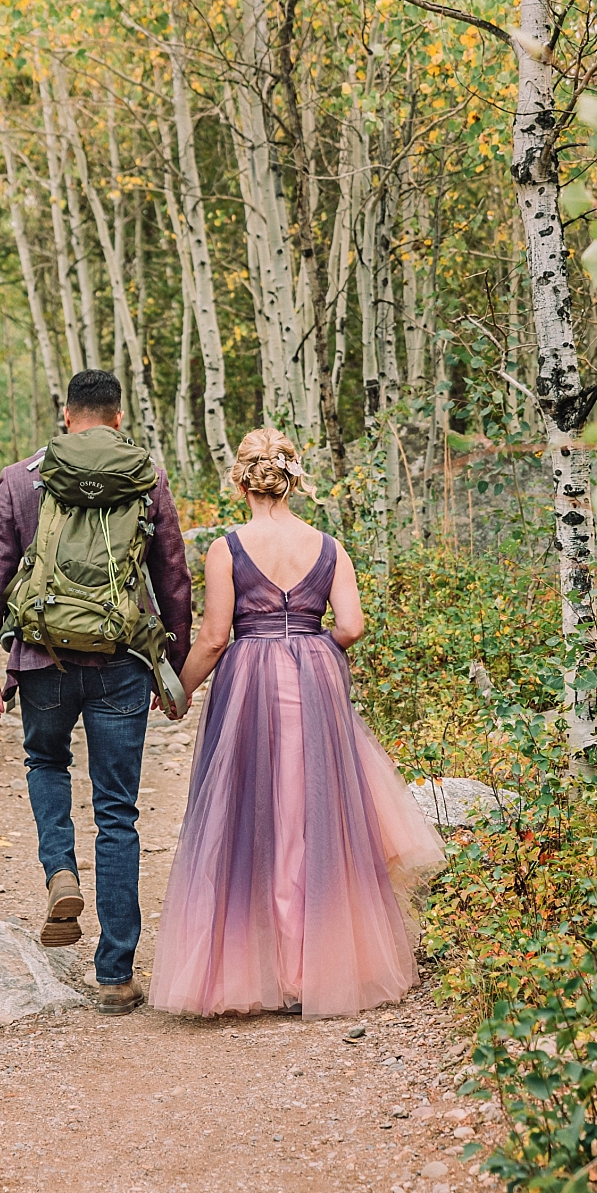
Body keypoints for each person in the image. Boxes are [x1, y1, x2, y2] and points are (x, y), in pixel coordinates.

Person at [149, 427, 444, 1019]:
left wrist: (178, 691)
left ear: (241, 479)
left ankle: (273, 966)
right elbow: (353, 626)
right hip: (316, 675)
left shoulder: (227, 549)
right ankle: (324, 964)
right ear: (291, 477)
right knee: (319, 813)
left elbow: (212, 638)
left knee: (261, 814)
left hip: (253, 678)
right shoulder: (329, 547)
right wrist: (315, 646)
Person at [0, 369, 192, 1016]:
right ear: (117, 419)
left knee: (45, 762)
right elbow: (171, 575)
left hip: (43, 659)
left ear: (66, 416)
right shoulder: (146, 477)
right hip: (121, 660)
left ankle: (59, 871)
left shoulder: (21, 478)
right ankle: (115, 976)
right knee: (118, 811)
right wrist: (168, 666)